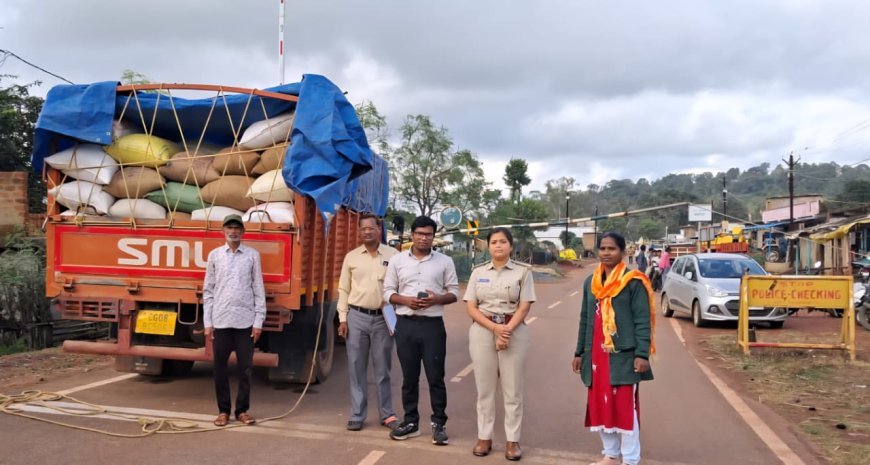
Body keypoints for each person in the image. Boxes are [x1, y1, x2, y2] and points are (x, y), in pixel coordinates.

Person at [571, 232, 656, 465]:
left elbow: (642, 320)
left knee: (625, 406)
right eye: (603, 248)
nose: (606, 253)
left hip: (623, 355)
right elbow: (585, 318)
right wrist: (579, 352)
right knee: (600, 404)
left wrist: (641, 354)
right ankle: (610, 454)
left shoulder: (633, 281)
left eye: (612, 249)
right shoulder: (592, 282)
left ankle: (630, 459)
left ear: (623, 252)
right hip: (596, 353)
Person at [383, 216, 460, 445]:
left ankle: (439, 425)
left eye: (428, 234)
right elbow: (387, 292)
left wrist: (436, 299)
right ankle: (411, 422)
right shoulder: (397, 261)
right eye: (420, 233)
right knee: (409, 377)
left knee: (436, 377)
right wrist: (405, 300)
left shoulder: (445, 261)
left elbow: (454, 292)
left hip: (432, 326)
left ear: (433, 236)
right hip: (405, 325)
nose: (424, 238)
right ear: (412, 234)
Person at [464, 228, 536, 461]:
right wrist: (494, 328)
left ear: (510, 246)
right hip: (483, 331)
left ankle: (512, 441)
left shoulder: (523, 272)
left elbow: (524, 306)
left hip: (513, 330)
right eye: (494, 242)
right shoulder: (477, 273)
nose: (498, 246)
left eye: (503, 242)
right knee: (484, 389)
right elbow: (471, 307)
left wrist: (505, 331)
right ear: (488, 246)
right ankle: (484, 437)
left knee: (512, 390)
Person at [337, 213, 400, 432]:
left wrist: (396, 316)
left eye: (371, 228)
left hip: (383, 319)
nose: (367, 232)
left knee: (383, 369)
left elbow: (400, 287)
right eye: (363, 229)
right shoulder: (351, 257)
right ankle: (357, 414)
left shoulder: (393, 255)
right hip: (356, 317)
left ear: (378, 228)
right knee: (356, 368)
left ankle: (387, 414)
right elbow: (343, 289)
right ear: (359, 231)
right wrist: (343, 318)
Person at [203, 214, 267, 427]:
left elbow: (258, 289)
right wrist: (207, 323)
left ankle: (242, 410)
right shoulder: (214, 256)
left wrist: (258, 321)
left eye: (237, 228)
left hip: (245, 321)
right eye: (229, 227)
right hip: (220, 320)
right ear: (223, 230)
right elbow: (208, 290)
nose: (233, 231)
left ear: (243, 232)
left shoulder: (252, 256)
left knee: (245, 369)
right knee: (219, 368)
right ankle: (223, 411)